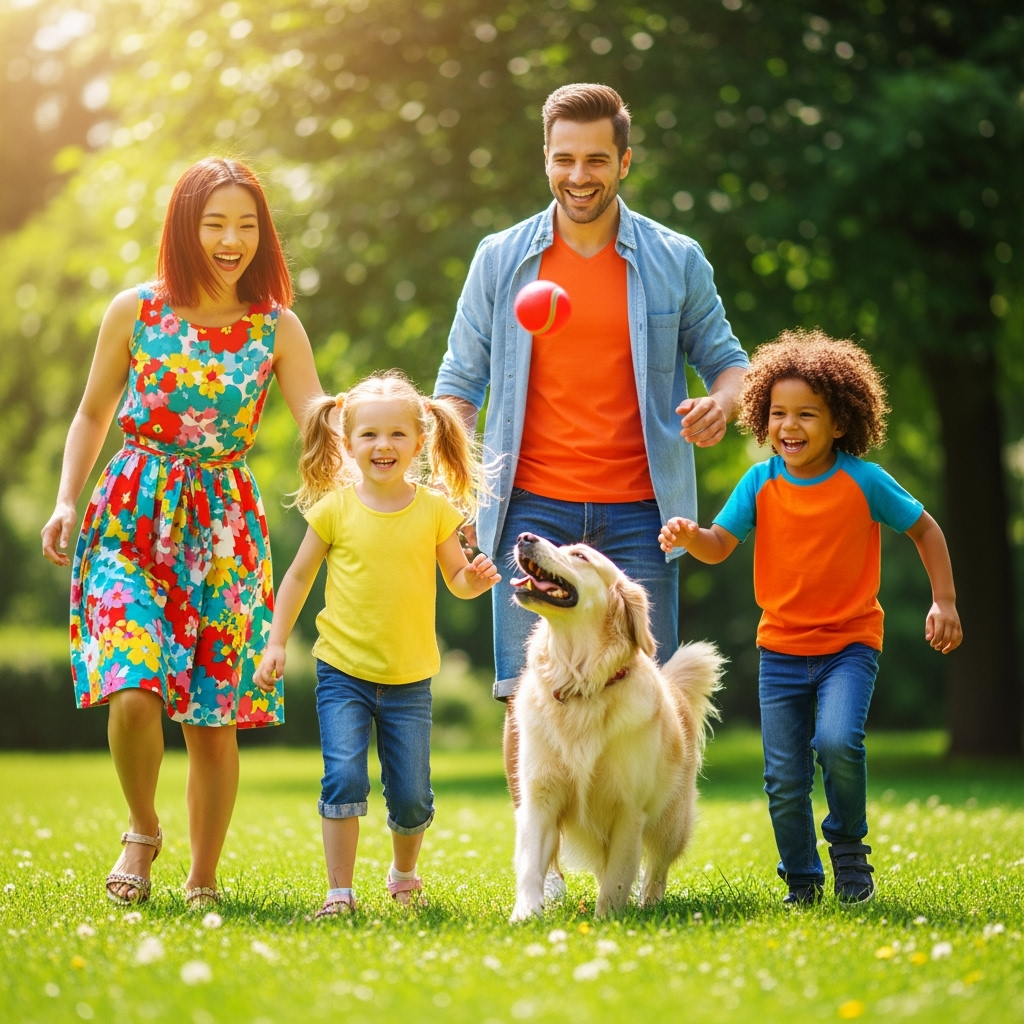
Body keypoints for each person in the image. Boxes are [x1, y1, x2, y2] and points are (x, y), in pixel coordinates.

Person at [433, 82, 750, 818]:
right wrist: (455, 488)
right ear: (545, 158)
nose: (580, 176)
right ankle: (538, 872)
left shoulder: (676, 260)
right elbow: (456, 386)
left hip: (644, 512)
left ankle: (631, 852)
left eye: (597, 160)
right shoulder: (500, 258)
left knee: (641, 689)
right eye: (565, 159)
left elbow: (729, 362)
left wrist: (721, 404)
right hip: (526, 507)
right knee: (524, 687)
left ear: (625, 161)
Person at [40, 158, 323, 909]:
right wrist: (67, 499)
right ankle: (141, 827)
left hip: (223, 530)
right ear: (183, 227)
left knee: (211, 717)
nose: (231, 240)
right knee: (132, 687)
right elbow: (92, 412)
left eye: (246, 225)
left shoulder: (276, 327)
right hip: (130, 513)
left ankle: (203, 878)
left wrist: (379, 455)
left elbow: (319, 423)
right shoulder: (136, 311)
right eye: (214, 223)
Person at [659, 330, 962, 905]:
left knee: (838, 741)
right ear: (762, 419)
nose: (788, 426)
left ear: (841, 422)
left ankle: (849, 853)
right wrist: (691, 535)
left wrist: (943, 600)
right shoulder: (760, 482)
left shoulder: (864, 480)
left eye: (806, 414)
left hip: (850, 645)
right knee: (784, 779)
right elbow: (720, 544)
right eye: (777, 414)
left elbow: (924, 528)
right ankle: (802, 880)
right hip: (780, 651)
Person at [253, 371, 500, 918]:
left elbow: (457, 580)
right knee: (342, 776)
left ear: (419, 442)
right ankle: (339, 893)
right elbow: (295, 578)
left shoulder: (435, 511)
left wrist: (475, 579)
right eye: (368, 435)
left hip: (410, 677)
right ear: (347, 442)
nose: (382, 446)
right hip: (342, 671)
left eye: (395, 435)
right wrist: (276, 643)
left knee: (410, 797)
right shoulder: (334, 510)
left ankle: (404, 873)